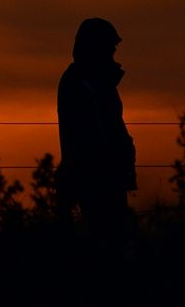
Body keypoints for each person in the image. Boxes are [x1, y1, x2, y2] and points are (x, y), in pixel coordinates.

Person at [56, 17, 137, 254]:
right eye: (108, 45)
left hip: (106, 174)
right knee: (106, 242)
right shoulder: (82, 82)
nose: (113, 50)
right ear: (93, 47)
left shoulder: (96, 82)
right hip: (96, 175)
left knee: (110, 241)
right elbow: (94, 132)